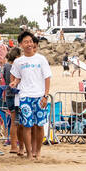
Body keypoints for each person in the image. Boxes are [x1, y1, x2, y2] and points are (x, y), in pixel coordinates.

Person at [9, 31, 50, 159]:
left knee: (39, 125)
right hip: (25, 96)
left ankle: (37, 151)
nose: (29, 44)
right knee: (26, 125)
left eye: (31, 41)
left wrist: (45, 95)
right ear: (21, 44)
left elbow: (47, 77)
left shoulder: (41, 59)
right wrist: (14, 82)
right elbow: (16, 77)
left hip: (39, 96)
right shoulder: (18, 62)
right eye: (26, 42)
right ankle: (29, 152)